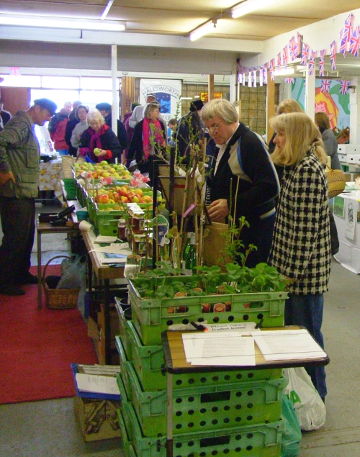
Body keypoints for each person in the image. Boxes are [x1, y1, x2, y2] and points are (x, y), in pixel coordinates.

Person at [269, 112, 331, 401]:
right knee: (299, 337)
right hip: (291, 271)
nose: (275, 140)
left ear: (293, 135)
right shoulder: (295, 166)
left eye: (280, 134)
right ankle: (307, 397)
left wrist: (287, 277)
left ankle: (316, 397)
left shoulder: (306, 170)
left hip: (302, 277)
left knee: (307, 340)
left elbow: (304, 235)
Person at [201, 99, 279, 267]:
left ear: (230, 120)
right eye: (208, 127)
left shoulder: (248, 142)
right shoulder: (223, 144)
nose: (212, 132)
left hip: (254, 229)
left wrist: (231, 204)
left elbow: (270, 186)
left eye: (215, 125)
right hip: (235, 228)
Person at [0, 98, 57, 296]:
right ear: (37, 108)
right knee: (15, 238)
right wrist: (5, 170)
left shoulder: (27, 125)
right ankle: (5, 280)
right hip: (16, 192)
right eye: (47, 114)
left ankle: (20, 273)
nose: (48, 118)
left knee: (26, 236)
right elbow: (1, 142)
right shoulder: (20, 123)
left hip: (25, 190)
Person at [127, 102, 166, 182]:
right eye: (156, 111)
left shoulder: (160, 124)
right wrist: (129, 157)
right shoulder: (140, 125)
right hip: (143, 157)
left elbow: (163, 138)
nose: (158, 113)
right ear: (150, 112)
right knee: (145, 179)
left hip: (157, 155)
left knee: (156, 179)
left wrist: (164, 152)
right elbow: (134, 141)